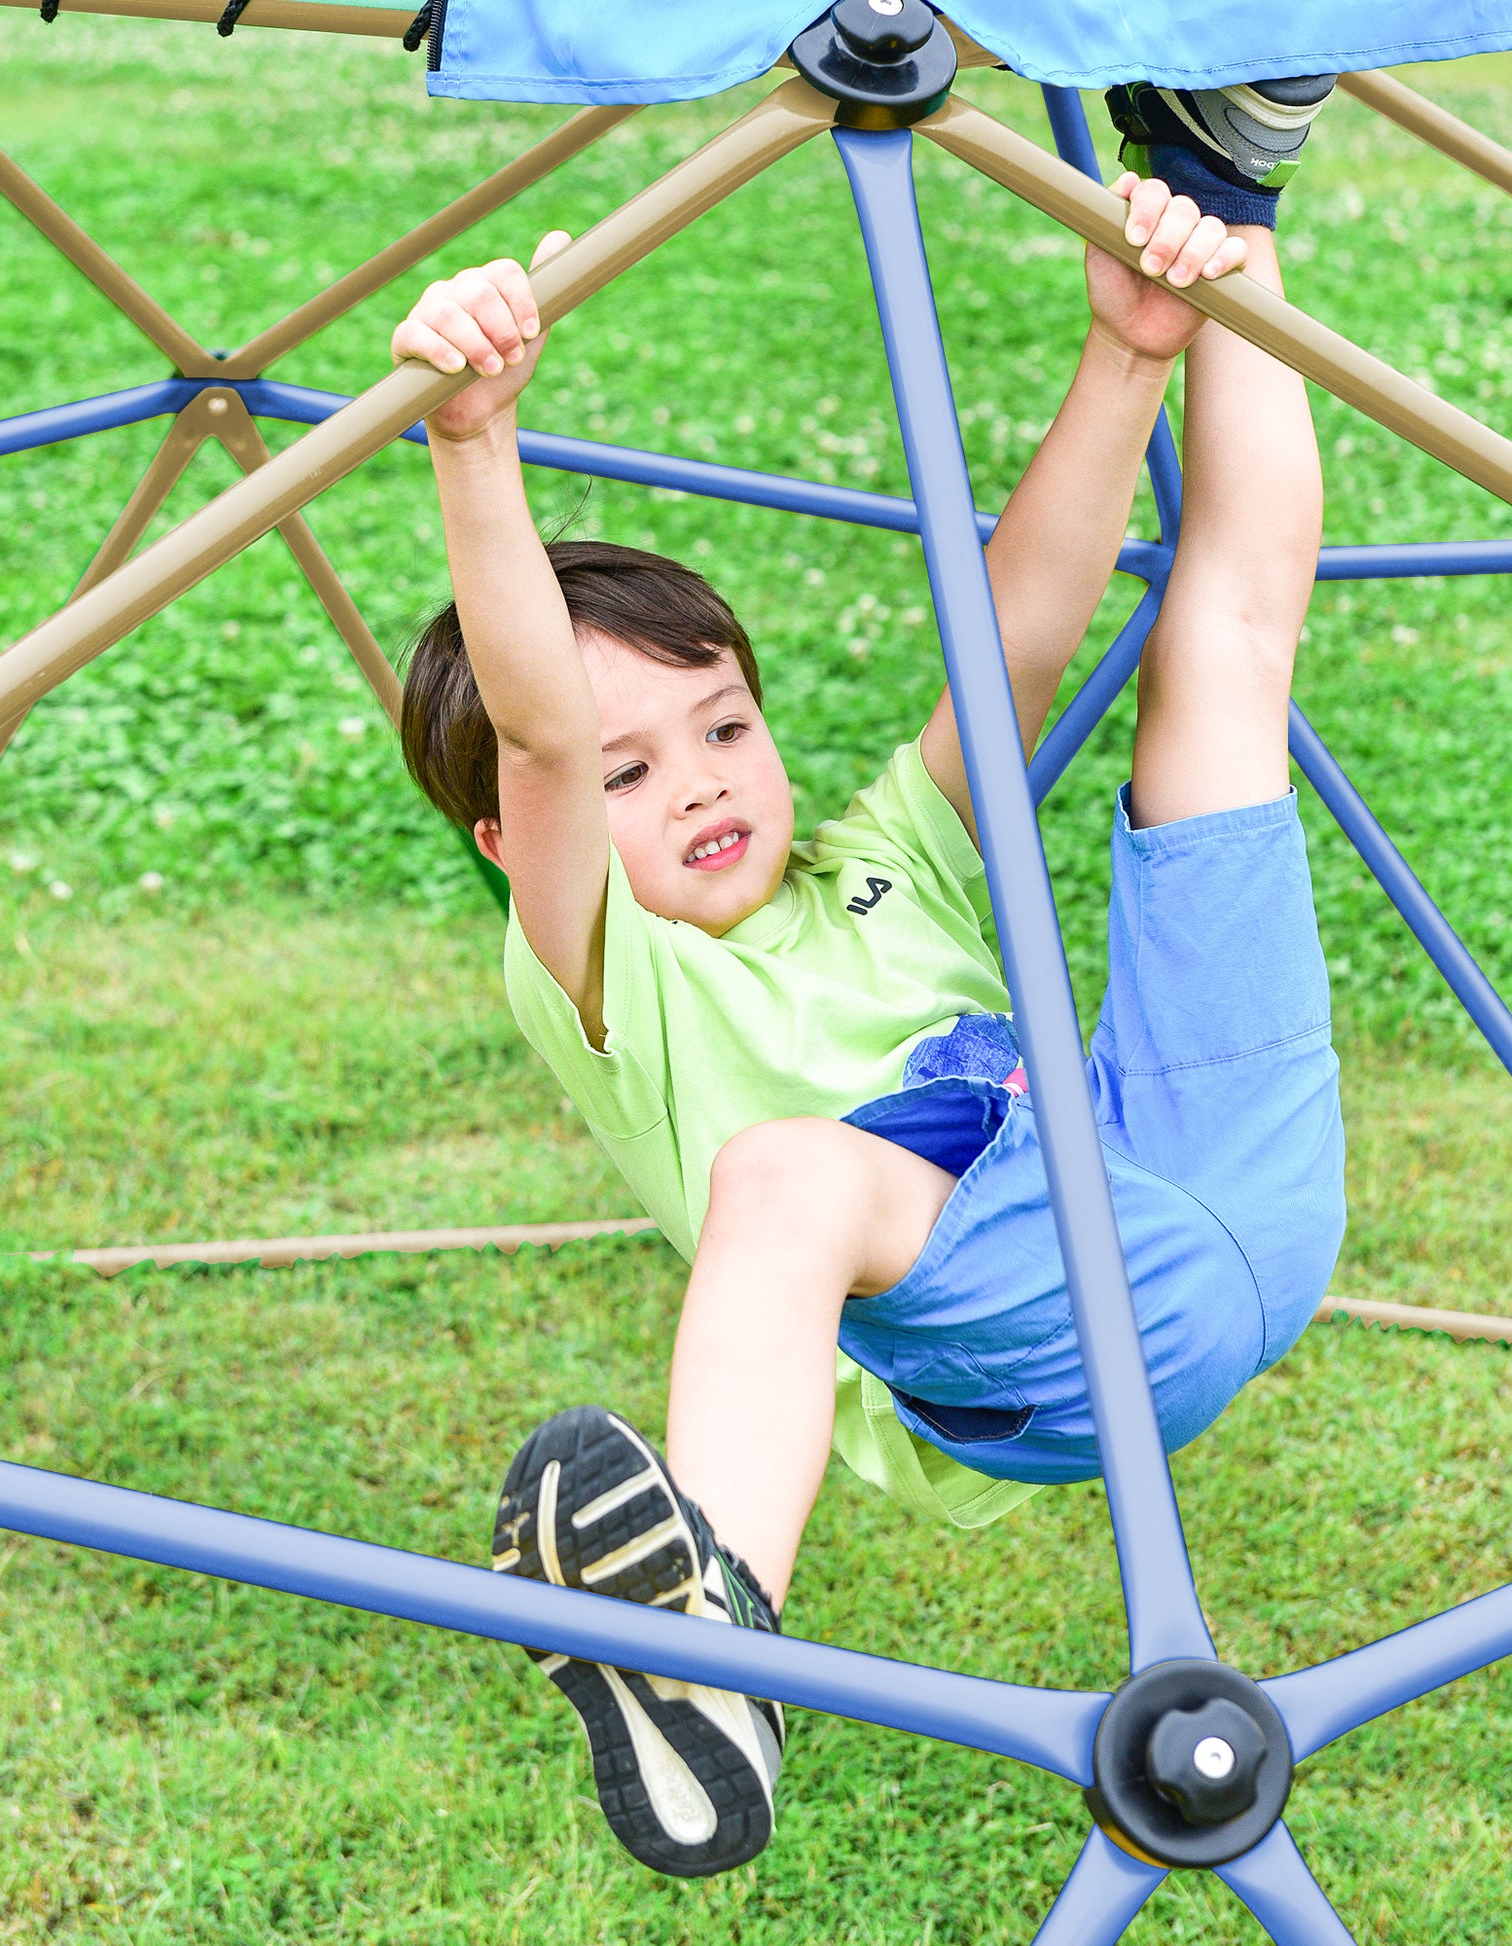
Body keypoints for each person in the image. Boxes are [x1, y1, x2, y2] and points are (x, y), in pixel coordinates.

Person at [390, 79, 1345, 1880]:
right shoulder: (608, 975)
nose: (701, 783)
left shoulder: (884, 850)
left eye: (722, 725)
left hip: (1210, 1185)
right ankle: (711, 1642)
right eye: (625, 773)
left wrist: (1131, 350)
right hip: (1051, 1339)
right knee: (787, 1169)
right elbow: (529, 714)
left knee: (1220, 654)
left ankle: (1233, 182)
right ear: (531, 847)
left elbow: (1028, 613)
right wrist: (473, 442)